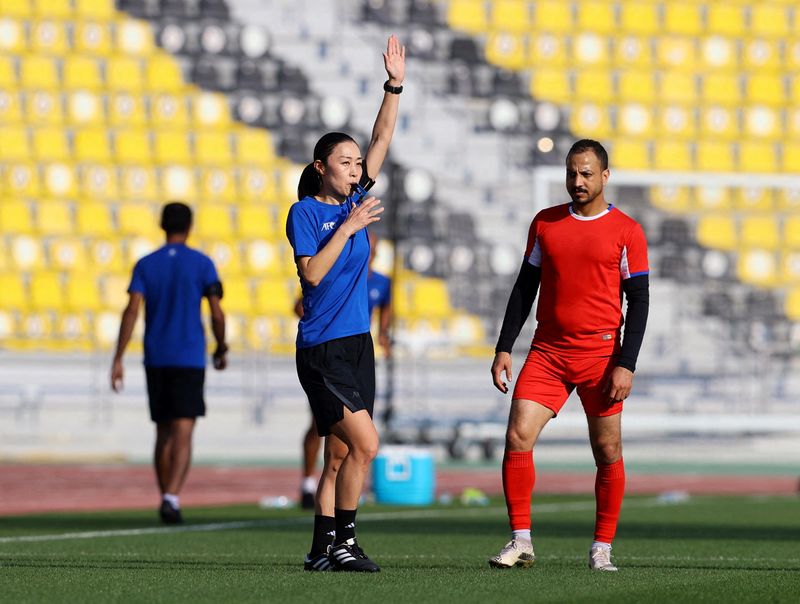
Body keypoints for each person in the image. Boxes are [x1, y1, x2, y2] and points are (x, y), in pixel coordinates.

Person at [487, 140, 649, 572]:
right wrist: (504, 346)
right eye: (572, 174)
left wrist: (626, 363)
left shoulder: (628, 231)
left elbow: (640, 300)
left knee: (607, 449)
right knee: (518, 435)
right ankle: (521, 540)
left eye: (587, 174)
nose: (578, 182)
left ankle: (602, 547)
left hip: (600, 354)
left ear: (605, 176)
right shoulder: (545, 223)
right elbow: (525, 288)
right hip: (548, 351)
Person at [286, 34, 404, 572]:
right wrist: (350, 225)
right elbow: (311, 274)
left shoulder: (355, 199)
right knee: (367, 445)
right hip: (323, 348)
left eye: (358, 163)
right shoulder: (305, 213)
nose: (357, 169)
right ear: (320, 166)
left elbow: (382, 136)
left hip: (357, 345)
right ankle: (344, 544)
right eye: (345, 161)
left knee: (340, 454)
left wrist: (394, 85)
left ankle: (318, 550)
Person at [110, 202, 228, 524]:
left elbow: (132, 310)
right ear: (189, 227)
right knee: (184, 431)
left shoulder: (146, 265)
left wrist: (118, 357)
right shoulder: (203, 264)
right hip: (189, 357)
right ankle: (172, 497)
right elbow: (217, 312)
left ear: (162, 226)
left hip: (157, 356)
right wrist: (221, 347)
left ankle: (166, 496)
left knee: (162, 432)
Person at [295, 230, 393, 510]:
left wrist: (384, 337)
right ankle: (307, 481)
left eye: (373, 250)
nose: (369, 254)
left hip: (358, 352)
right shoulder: (334, 269)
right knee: (322, 427)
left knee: (343, 449)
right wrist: (325, 321)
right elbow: (301, 299)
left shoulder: (382, 283)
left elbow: (386, 312)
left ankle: (330, 539)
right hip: (328, 350)